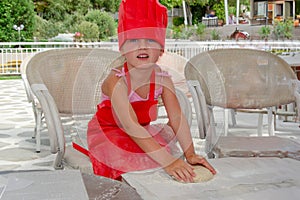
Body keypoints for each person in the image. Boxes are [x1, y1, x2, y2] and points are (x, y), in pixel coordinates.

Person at [85, 0, 216, 182]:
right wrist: (169, 162)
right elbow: (130, 125)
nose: (142, 46)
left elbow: (177, 118)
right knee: (128, 162)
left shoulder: (163, 80)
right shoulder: (116, 81)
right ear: (122, 48)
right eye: (133, 40)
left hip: (142, 132)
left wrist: (190, 153)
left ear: (161, 49)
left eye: (150, 40)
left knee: (156, 163)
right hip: (110, 133)